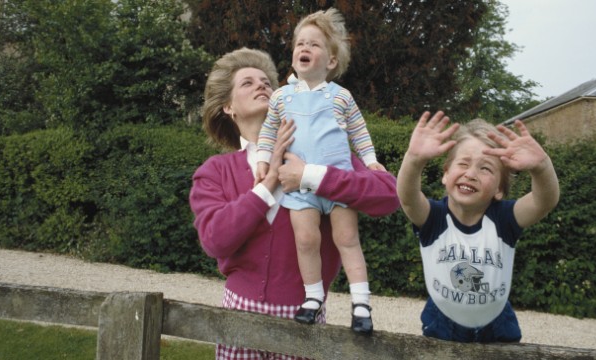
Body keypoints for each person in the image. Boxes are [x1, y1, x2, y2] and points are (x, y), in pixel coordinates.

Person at [189, 47, 399, 359]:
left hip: (306, 322)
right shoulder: (215, 171)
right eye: (247, 83)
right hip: (238, 317)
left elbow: (388, 196)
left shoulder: (328, 156)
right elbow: (216, 241)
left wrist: (311, 175)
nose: (262, 85)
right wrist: (271, 179)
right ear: (228, 107)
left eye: (266, 82)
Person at [254, 8, 384, 334]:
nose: (304, 49)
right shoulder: (281, 97)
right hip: (299, 188)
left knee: (347, 239)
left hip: (338, 182)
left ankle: (361, 303)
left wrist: (369, 161)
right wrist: (264, 162)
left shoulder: (341, 96)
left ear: (330, 62)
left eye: (314, 44)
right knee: (306, 240)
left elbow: (359, 132)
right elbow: (269, 133)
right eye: (300, 44)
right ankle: (313, 298)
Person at [396, 111, 560, 343]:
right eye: (463, 163)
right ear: (446, 175)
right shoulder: (434, 218)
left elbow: (545, 201)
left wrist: (541, 167)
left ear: (499, 190)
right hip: (442, 321)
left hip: (497, 323)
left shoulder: (505, 219)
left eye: (485, 169)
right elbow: (408, 198)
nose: (471, 174)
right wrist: (414, 159)